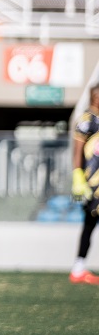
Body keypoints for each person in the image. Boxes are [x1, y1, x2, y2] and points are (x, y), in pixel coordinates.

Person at [70, 83, 99, 284]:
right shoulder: (87, 121)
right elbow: (78, 151)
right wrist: (78, 177)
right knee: (89, 223)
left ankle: (78, 267)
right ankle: (78, 267)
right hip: (93, 184)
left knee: (89, 224)